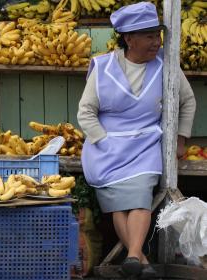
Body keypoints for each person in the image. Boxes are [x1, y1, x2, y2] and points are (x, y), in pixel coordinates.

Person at [77, 2, 196, 278]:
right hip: (106, 148)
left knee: (140, 196)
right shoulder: (104, 67)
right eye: (149, 36)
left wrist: (180, 138)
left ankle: (132, 255)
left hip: (144, 146)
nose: (156, 42)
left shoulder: (166, 65)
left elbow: (187, 102)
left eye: (158, 35)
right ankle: (141, 262)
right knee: (119, 202)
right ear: (129, 38)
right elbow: (86, 112)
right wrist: (103, 141)